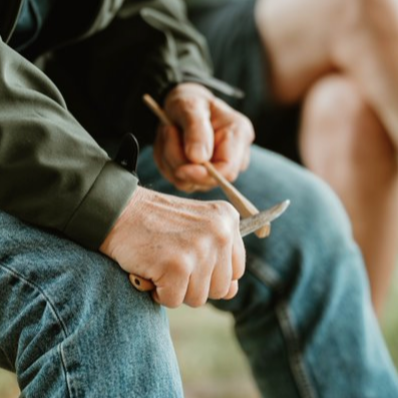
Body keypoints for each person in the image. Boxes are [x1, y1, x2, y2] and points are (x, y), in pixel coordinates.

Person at [0, 0, 398, 397]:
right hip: (25, 141)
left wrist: (173, 79)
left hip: (54, 124)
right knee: (98, 301)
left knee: (307, 222)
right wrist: (112, 205)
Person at [186, 0, 398, 316]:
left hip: (285, 28)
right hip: (189, 33)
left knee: (345, 113)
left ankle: (352, 356)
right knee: (358, 9)